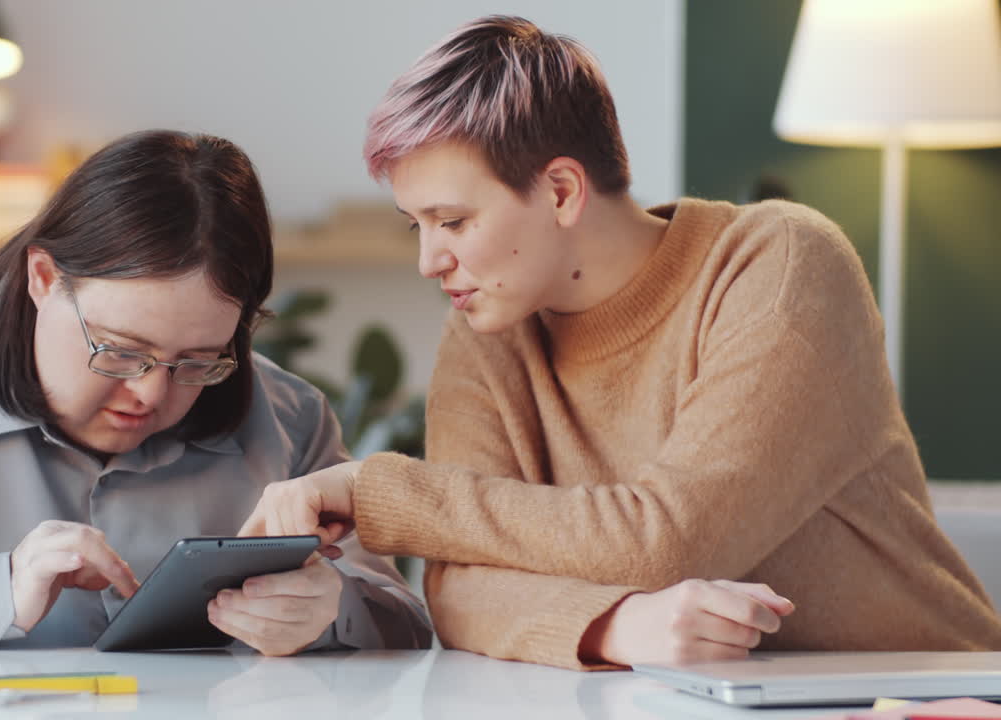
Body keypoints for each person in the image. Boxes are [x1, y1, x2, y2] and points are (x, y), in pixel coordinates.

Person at [239, 16, 1001, 669]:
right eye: (418, 226)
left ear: (562, 191)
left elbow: (667, 540)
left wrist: (378, 491)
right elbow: (457, 590)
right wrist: (615, 626)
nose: (429, 261)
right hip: (686, 700)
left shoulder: (778, 265)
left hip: (920, 691)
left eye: (453, 221)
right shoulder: (486, 331)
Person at [0, 130, 431, 655]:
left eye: (199, 361)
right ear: (43, 279)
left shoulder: (288, 420)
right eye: (121, 351)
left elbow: (404, 620)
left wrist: (332, 610)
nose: (150, 394)